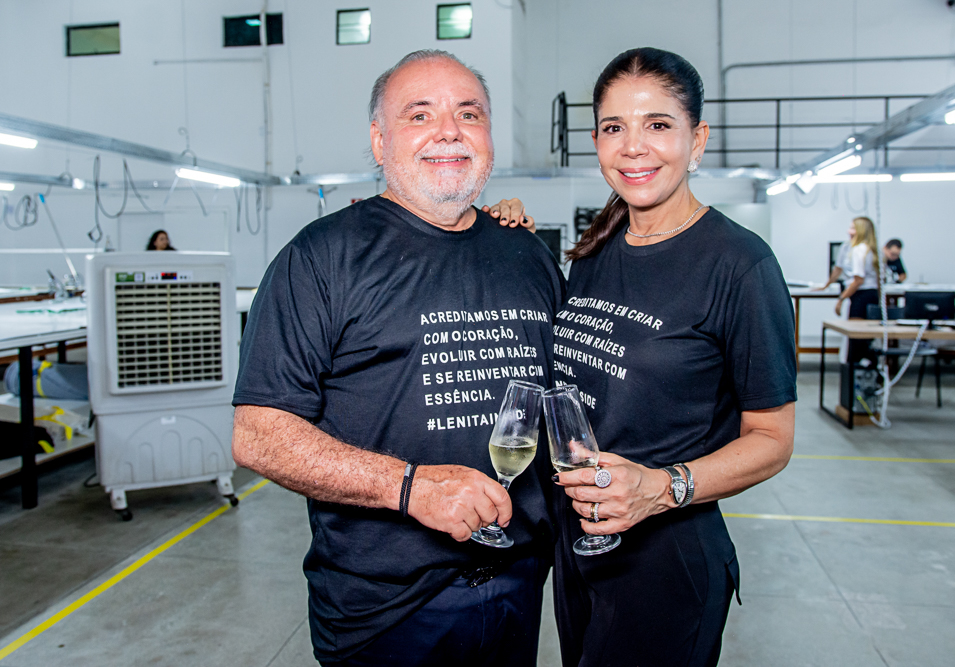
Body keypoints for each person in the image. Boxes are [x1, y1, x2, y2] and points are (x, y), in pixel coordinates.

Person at [231, 50, 564, 666]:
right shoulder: (320, 258)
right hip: (385, 611)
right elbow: (259, 436)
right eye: (420, 115)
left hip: (519, 584)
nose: (449, 131)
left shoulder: (529, 255)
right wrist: (409, 487)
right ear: (380, 141)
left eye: (469, 113)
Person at [539, 48, 796, 667]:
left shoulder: (740, 265)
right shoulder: (596, 251)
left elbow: (772, 440)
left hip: (664, 563)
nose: (633, 147)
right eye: (613, 127)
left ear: (696, 139)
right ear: (596, 142)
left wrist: (661, 488)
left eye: (657, 124)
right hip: (579, 545)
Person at [834, 216, 880, 319]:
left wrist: (841, 298)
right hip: (873, 294)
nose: (848, 231)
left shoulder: (858, 250)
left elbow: (858, 281)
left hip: (861, 296)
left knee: (856, 328)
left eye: (852, 228)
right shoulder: (873, 250)